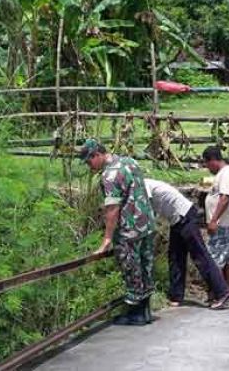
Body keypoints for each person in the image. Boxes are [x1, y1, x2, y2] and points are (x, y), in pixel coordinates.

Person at [80, 139, 156, 325]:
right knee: (146, 267)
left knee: (131, 268)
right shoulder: (130, 162)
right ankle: (145, 312)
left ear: (97, 155)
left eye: (89, 162)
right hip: (146, 224)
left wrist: (107, 239)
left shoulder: (109, 176)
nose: (89, 167)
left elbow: (112, 209)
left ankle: (136, 314)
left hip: (129, 229)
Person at [145, 178, 229, 310]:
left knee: (200, 255)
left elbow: (145, 210)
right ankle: (176, 296)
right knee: (175, 256)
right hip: (177, 219)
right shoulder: (144, 185)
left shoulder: (143, 186)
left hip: (184, 215)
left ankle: (223, 292)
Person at [202, 146, 229, 300]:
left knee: (214, 260)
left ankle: (218, 293)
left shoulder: (226, 174)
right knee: (225, 258)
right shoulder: (223, 174)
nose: (207, 168)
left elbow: (224, 198)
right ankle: (228, 290)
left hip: (221, 224)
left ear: (213, 160)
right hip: (223, 224)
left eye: (207, 164)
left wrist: (213, 220)